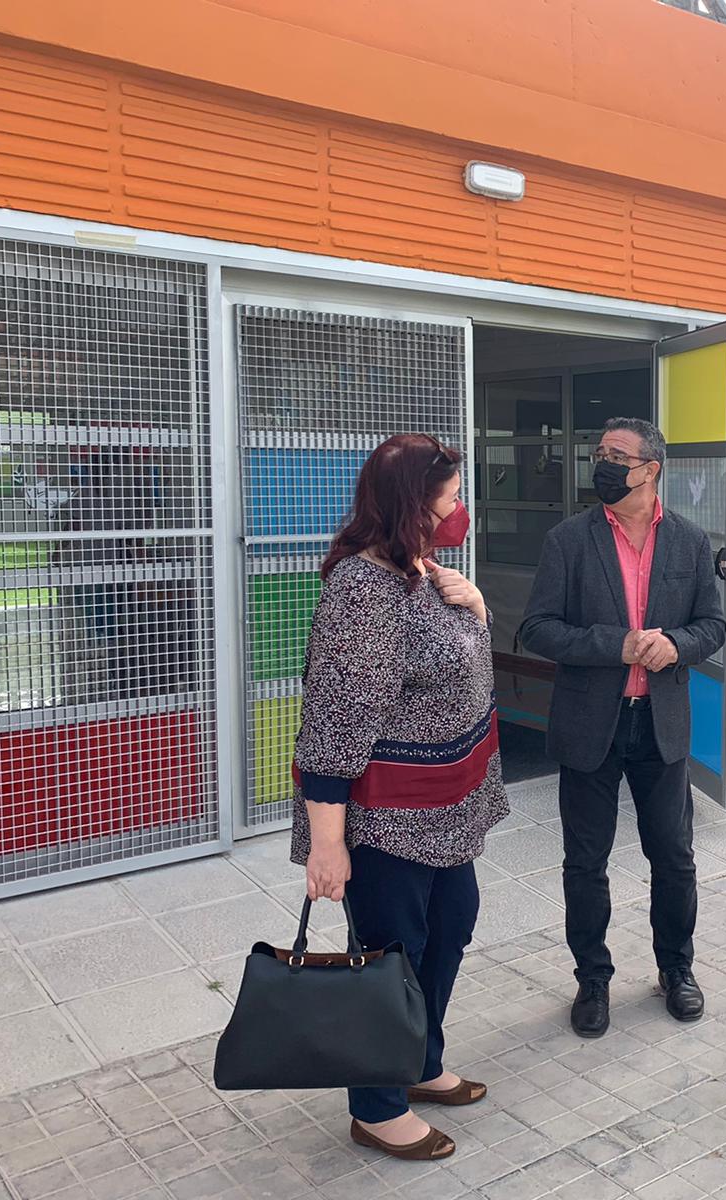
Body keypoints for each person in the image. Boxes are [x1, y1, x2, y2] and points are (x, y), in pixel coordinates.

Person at [291, 433, 508, 1163]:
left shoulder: (420, 570)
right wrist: (327, 845)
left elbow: (457, 663)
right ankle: (376, 1106)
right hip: (387, 817)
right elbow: (332, 722)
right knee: (391, 955)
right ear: (413, 504)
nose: (459, 510)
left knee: (451, 927)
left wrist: (476, 606)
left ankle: (417, 1060)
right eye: (449, 498)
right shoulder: (361, 589)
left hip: (447, 808)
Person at [520, 417, 726, 1039]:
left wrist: (676, 644)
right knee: (585, 861)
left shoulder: (689, 542)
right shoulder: (568, 540)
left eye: (617, 455)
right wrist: (618, 646)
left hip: (659, 725)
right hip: (591, 725)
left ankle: (677, 969)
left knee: (675, 857)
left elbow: (711, 627)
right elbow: (537, 629)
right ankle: (592, 979)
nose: (602, 463)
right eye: (599, 452)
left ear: (650, 469)